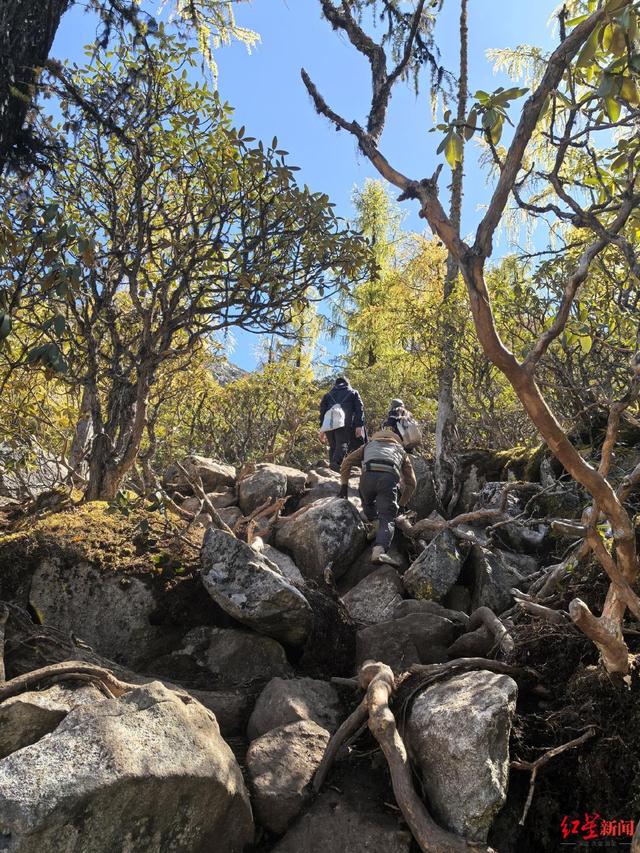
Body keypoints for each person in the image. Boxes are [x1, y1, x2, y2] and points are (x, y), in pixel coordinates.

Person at [338, 415, 416, 565]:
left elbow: (347, 462)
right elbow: (411, 483)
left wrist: (344, 485)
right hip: (388, 479)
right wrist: (402, 503)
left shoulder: (368, 445)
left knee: (367, 503)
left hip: (367, 478)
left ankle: (374, 523)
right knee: (388, 517)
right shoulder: (400, 450)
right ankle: (379, 551)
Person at [319, 376, 365, 472]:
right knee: (342, 444)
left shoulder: (327, 395)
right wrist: (359, 425)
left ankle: (332, 469)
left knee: (333, 446)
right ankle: (335, 465)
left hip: (329, 424)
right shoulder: (353, 393)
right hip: (345, 423)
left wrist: (322, 429)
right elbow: (359, 409)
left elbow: (322, 412)